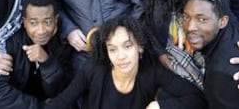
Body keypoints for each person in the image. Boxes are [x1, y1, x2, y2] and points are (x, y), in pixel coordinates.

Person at [44, 16, 207, 109]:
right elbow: (62, 101)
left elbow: (196, 98)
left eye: (127, 46)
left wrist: (161, 106)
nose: (120, 56)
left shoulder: (152, 70)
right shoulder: (93, 69)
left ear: (140, 47)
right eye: (113, 49)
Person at [0, 0, 73, 108]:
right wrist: (38, 107)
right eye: (33, 23)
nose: (41, 31)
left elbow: (59, 91)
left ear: (56, 20)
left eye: (47, 22)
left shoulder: (62, 44)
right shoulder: (10, 43)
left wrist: (47, 62)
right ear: (24, 22)